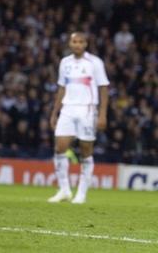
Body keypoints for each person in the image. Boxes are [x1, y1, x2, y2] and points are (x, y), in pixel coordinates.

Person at [48, 32, 110, 204]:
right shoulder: (64, 62)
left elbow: (104, 88)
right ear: (70, 43)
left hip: (87, 110)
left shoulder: (95, 63)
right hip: (67, 109)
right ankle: (65, 190)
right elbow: (61, 88)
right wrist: (55, 112)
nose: (77, 45)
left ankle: (81, 193)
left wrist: (103, 114)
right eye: (74, 41)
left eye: (80, 42)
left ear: (86, 44)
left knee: (85, 151)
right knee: (60, 148)